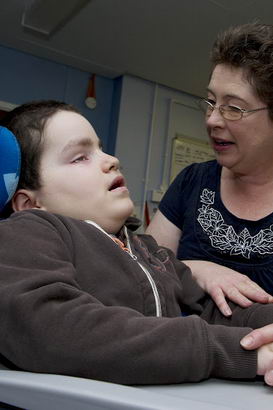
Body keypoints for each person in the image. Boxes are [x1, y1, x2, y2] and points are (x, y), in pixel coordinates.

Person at [1, 100, 273, 387]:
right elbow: (51, 329)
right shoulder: (28, 232)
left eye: (101, 148)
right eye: (80, 157)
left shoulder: (148, 250)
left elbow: (214, 310)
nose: (110, 159)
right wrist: (241, 352)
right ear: (30, 204)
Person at [147, 22, 273, 317]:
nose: (212, 120)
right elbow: (143, 270)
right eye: (211, 102)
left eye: (233, 108)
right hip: (183, 356)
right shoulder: (191, 182)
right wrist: (194, 269)